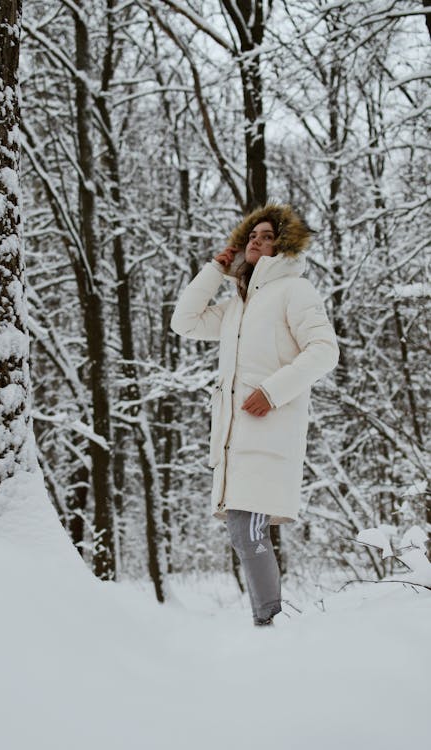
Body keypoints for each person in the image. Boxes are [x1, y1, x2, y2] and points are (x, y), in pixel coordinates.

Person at [170, 203, 339, 627]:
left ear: (282, 246)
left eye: (266, 236)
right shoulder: (237, 305)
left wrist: (271, 390)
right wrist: (216, 269)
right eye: (251, 236)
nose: (256, 241)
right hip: (234, 439)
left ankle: (270, 622)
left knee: (247, 530)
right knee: (242, 531)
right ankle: (270, 620)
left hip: (270, 432)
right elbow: (184, 322)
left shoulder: (295, 291)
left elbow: (324, 351)